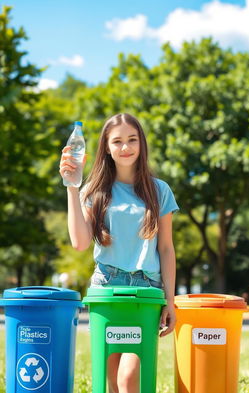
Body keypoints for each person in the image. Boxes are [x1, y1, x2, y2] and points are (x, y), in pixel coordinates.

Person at [59, 113, 179, 393]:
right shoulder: (95, 190)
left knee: (128, 378)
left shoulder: (159, 190)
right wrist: (72, 187)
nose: (125, 147)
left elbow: (166, 248)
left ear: (141, 144)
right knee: (111, 382)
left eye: (132, 140)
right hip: (106, 289)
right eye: (117, 141)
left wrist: (170, 301)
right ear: (107, 147)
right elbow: (79, 242)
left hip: (146, 292)